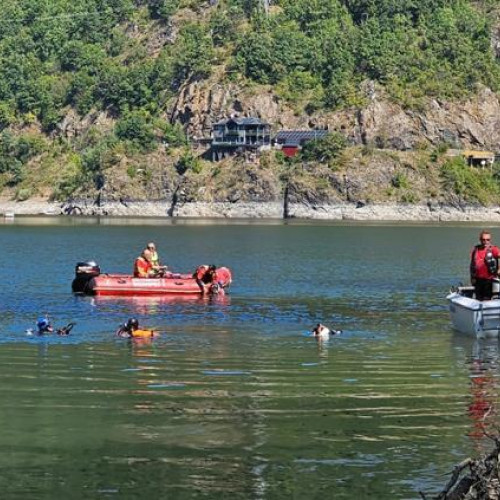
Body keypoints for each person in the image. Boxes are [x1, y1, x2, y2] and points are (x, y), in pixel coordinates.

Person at [470, 230, 500, 301]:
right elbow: (472, 265)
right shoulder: (475, 250)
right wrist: (472, 277)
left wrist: (499, 269)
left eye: (488, 240)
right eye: (483, 240)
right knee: (478, 300)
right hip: (478, 280)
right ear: (480, 240)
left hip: (489, 280)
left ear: (490, 240)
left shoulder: (494, 249)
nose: (485, 241)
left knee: (487, 300)